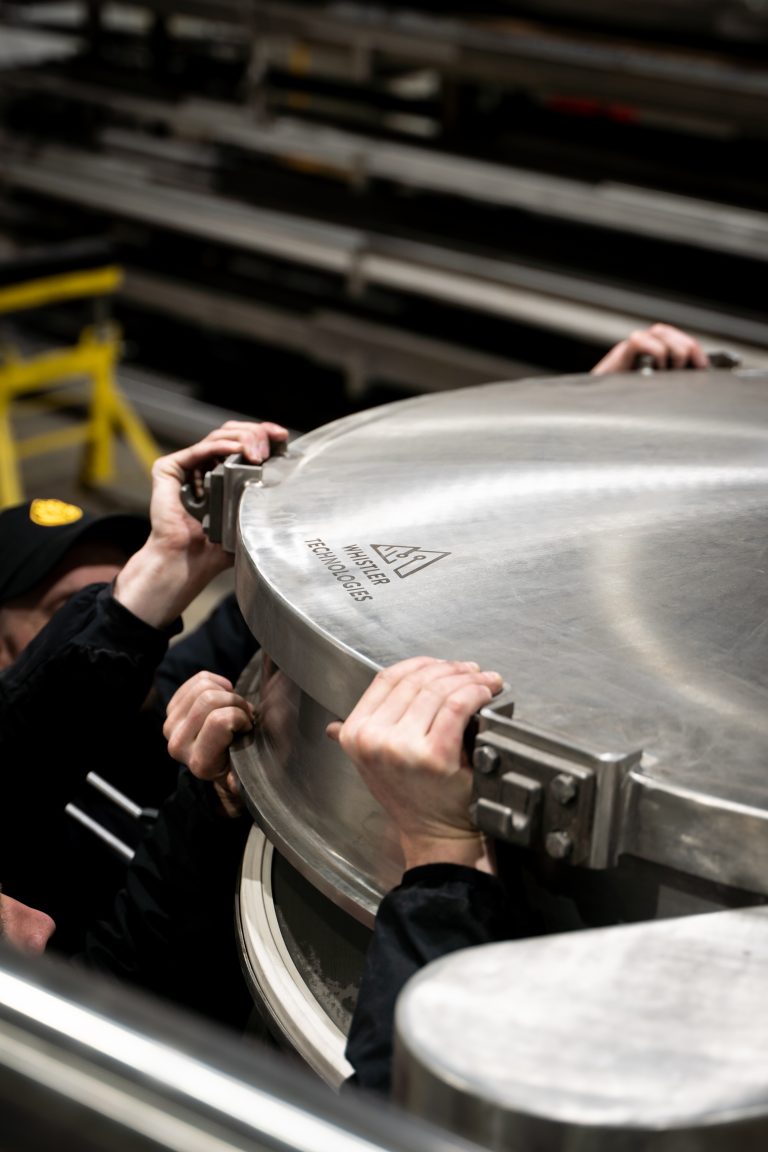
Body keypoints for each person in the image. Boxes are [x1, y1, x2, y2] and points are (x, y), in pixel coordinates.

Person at [0, 418, 288, 956]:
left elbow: (242, 626)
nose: (133, 649)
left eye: (109, 591)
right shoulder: (32, 846)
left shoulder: (155, 697)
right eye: (69, 611)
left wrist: (286, 540)